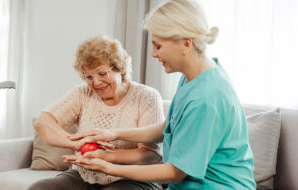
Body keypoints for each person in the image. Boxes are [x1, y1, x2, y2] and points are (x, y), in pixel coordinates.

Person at [64, 0, 256, 189]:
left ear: (186, 44)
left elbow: (174, 173)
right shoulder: (194, 77)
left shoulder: (206, 97)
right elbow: (167, 127)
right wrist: (113, 133)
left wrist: (109, 167)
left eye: (158, 46)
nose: (153, 54)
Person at [28, 35, 164, 190]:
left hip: (134, 178)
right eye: (88, 76)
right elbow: (43, 122)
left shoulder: (147, 96)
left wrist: (107, 157)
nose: (96, 82)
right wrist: (77, 143)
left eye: (102, 73)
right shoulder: (83, 93)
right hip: (84, 176)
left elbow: (151, 155)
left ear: (120, 68)